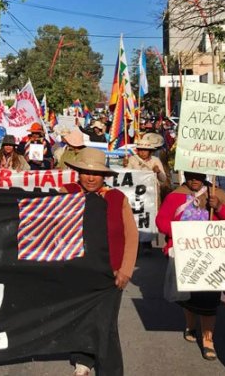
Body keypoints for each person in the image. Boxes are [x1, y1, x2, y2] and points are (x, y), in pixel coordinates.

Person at [60, 147, 139, 376]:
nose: (91, 177)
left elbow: (131, 235)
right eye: (85, 172)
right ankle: (83, 357)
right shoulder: (66, 192)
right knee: (80, 317)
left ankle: (110, 371)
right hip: (76, 271)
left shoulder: (116, 198)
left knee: (106, 325)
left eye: (95, 173)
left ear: (104, 175)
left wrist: (125, 270)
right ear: (78, 173)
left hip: (110, 273)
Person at [156, 171, 225, 361]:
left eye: (198, 176)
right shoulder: (176, 196)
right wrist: (182, 233)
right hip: (182, 252)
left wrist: (219, 208)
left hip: (211, 255)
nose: (194, 180)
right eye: (190, 176)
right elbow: (161, 221)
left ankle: (208, 340)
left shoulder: (217, 194)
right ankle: (190, 325)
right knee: (187, 296)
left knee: (209, 298)